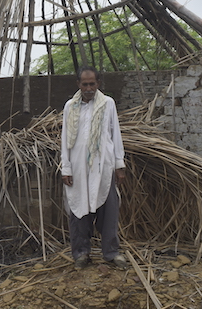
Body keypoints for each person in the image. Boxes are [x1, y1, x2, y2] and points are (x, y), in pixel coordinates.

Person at [61, 66, 128, 270]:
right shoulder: (70, 106)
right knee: (78, 210)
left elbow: (114, 134)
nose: (88, 88)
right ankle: (81, 253)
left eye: (92, 84)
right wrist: (66, 167)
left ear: (98, 83)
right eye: (85, 84)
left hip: (103, 166)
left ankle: (111, 253)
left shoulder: (108, 104)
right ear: (78, 84)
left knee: (109, 209)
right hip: (78, 166)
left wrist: (119, 164)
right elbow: (65, 139)